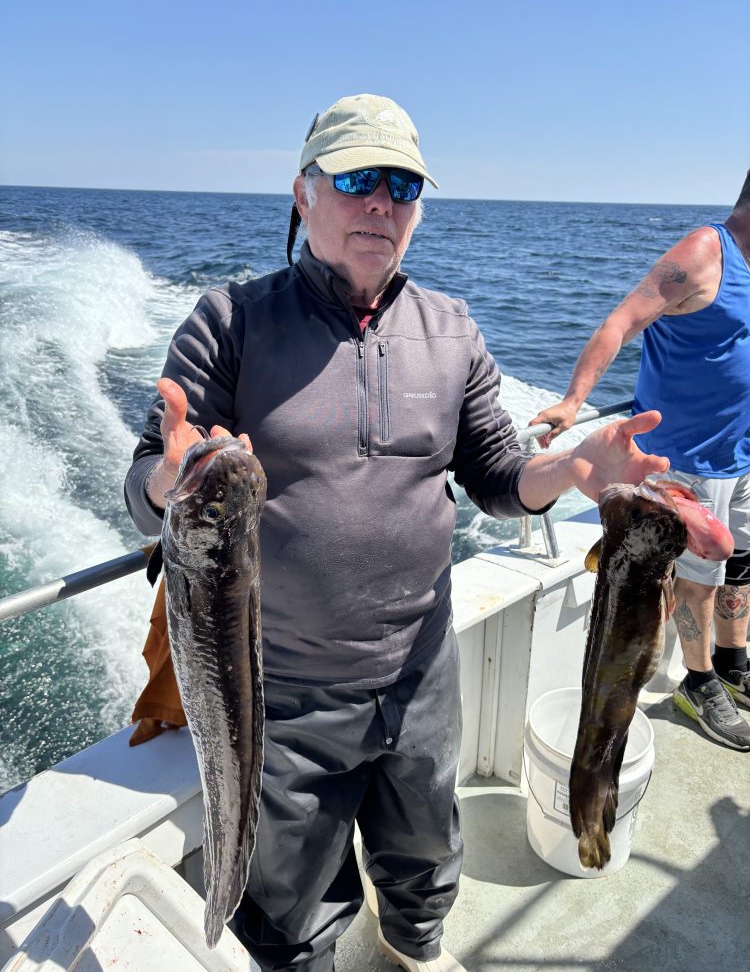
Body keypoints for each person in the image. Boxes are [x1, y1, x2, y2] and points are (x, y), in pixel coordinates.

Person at [125, 93, 669, 972]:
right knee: (293, 908)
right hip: (281, 697)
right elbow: (151, 484)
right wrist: (166, 478)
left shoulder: (452, 329)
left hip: (422, 675)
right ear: (302, 193)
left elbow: (496, 473)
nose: (381, 201)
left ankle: (415, 946)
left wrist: (570, 471)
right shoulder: (229, 324)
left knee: (427, 861)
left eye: (404, 184)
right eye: (356, 178)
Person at [530, 172, 750, 753]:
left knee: (743, 566)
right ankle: (698, 682)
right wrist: (575, 401)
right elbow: (621, 322)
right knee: (699, 580)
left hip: (742, 453)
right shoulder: (704, 253)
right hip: (682, 458)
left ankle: (732, 662)